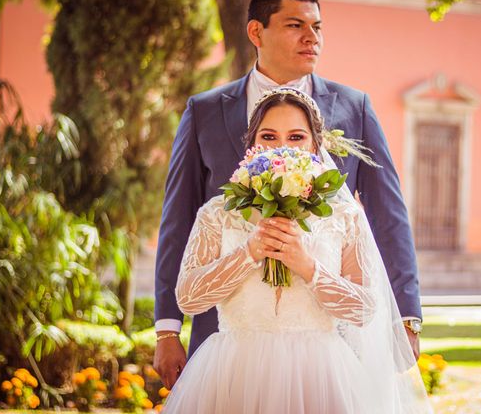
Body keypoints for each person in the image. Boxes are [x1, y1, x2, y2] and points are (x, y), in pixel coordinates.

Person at [154, 0, 422, 389]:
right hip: (231, 335)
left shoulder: (355, 108)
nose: (311, 37)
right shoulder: (204, 110)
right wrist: (167, 329)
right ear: (256, 31)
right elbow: (178, 220)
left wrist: (406, 315)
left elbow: (388, 215)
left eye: (317, 27)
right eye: (296, 25)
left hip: (326, 339)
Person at [162, 87, 430, 413]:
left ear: (315, 147)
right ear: (251, 146)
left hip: (319, 374)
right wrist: (248, 253)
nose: (282, 149)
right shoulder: (217, 213)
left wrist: (307, 266)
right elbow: (189, 298)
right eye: (269, 136)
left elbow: (363, 309)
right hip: (235, 372)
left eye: (296, 137)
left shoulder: (344, 217)